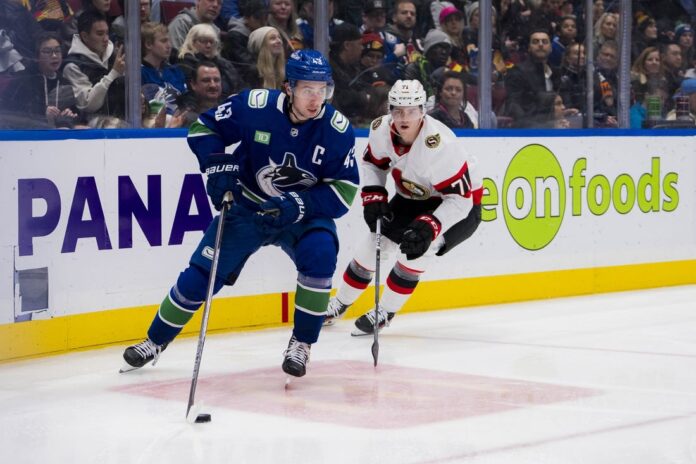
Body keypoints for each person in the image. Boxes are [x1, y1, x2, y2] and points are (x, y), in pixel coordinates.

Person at [121, 50, 360, 378]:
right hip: (248, 206)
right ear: (289, 87)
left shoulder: (337, 130)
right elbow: (204, 128)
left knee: (320, 254)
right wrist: (217, 164)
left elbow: (344, 190)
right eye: (308, 89)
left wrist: (301, 205)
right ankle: (154, 340)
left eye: (323, 90)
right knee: (200, 275)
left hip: (301, 214)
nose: (316, 99)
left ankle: (302, 344)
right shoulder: (254, 106)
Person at [323, 79, 483, 333]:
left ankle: (385, 311)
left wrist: (431, 225)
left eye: (411, 111)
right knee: (374, 243)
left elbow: (460, 200)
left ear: (422, 111)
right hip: (412, 197)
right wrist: (374, 194)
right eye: (397, 110)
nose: (404, 118)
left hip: (460, 205)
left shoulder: (442, 145)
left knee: (419, 249)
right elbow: (373, 164)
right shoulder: (380, 130)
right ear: (389, 110)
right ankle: (340, 303)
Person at [3, 31, 79, 128]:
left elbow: (76, 114)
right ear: (37, 56)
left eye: (57, 51)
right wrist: (42, 114)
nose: (54, 56)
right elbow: (11, 114)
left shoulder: (64, 83)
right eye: (47, 51)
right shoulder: (22, 80)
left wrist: (69, 114)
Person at [62, 10, 126, 119]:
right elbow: (88, 105)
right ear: (85, 36)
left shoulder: (114, 54)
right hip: (93, 125)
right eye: (100, 34)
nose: (106, 39)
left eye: (107, 33)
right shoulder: (73, 66)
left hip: (122, 119)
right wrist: (114, 73)